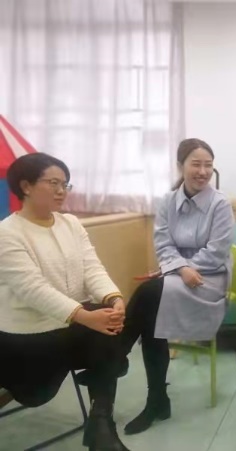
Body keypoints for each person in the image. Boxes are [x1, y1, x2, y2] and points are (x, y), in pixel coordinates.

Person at [0, 153, 129, 451]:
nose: (62, 191)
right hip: (27, 336)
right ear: (26, 186)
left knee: (109, 323)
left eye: (65, 184)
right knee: (102, 340)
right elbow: (33, 289)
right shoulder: (7, 233)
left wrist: (114, 297)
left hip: (67, 326)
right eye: (53, 183)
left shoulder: (70, 223)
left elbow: (91, 267)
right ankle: (102, 410)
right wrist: (85, 316)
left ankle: (101, 425)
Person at [120, 138, 234, 435]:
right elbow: (163, 244)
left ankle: (115, 358)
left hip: (208, 280)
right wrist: (180, 269)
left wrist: (183, 269)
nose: (203, 171)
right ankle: (156, 399)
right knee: (150, 315)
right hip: (178, 275)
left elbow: (217, 252)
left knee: (148, 295)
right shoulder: (168, 201)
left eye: (208, 165)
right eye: (196, 164)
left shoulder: (220, 204)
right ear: (180, 166)